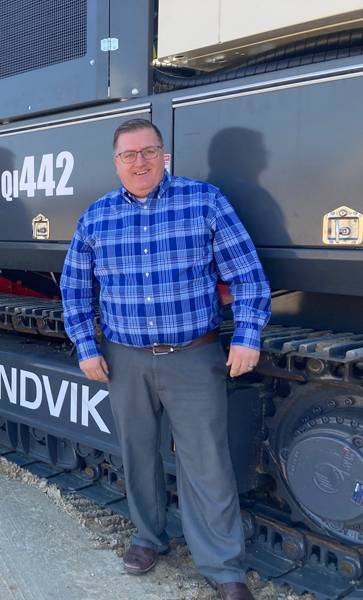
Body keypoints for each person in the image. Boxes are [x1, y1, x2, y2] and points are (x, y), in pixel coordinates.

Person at [61, 119, 271, 600]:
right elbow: (74, 290)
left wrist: (247, 335)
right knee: (138, 454)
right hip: (125, 358)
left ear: (164, 154)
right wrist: (86, 346)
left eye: (148, 152)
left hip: (194, 357)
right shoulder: (96, 217)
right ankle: (148, 537)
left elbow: (248, 277)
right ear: (115, 162)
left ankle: (222, 565)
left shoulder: (205, 201)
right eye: (129, 155)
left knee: (207, 460)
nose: (140, 162)